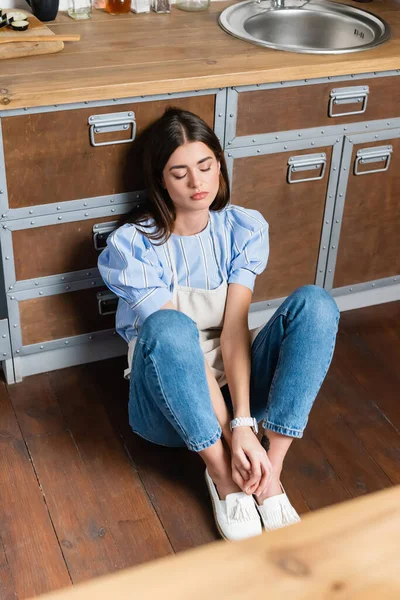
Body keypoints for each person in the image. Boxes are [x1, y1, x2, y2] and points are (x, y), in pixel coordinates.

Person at [98, 107, 340, 542]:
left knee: (317, 304)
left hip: (235, 386)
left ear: (220, 165)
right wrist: (231, 440)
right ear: (160, 180)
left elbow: (233, 333)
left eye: (206, 166)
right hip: (170, 405)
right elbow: (179, 345)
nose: (198, 183)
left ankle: (272, 472)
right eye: (180, 173)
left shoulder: (240, 229)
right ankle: (224, 477)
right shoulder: (133, 247)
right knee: (171, 327)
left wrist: (245, 422)